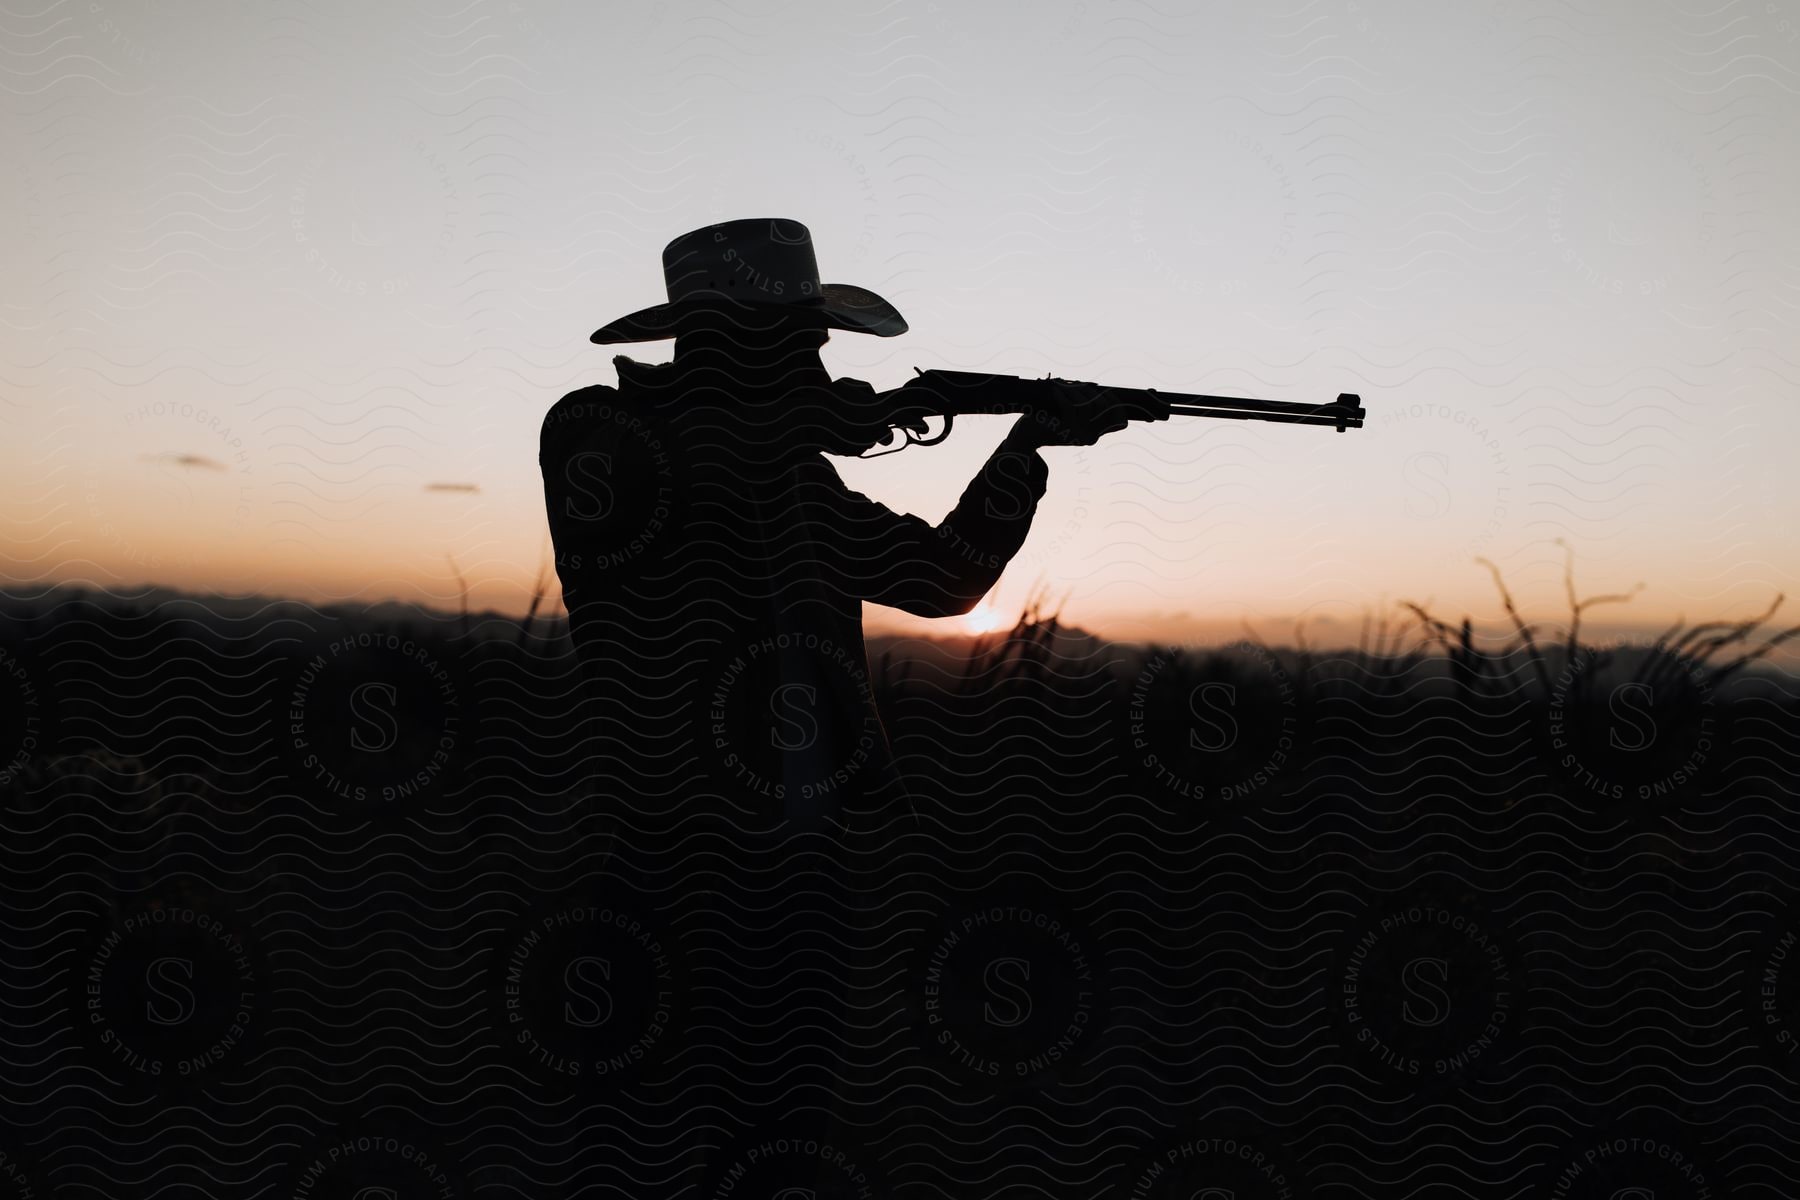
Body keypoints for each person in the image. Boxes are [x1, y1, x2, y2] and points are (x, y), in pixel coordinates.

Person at [539, 217, 1127, 832]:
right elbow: (943, 581)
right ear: (749, 343)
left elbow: (946, 580)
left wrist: (1022, 447)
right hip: (718, 844)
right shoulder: (600, 433)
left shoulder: (787, 477)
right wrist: (848, 418)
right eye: (806, 348)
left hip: (744, 836)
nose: (822, 373)